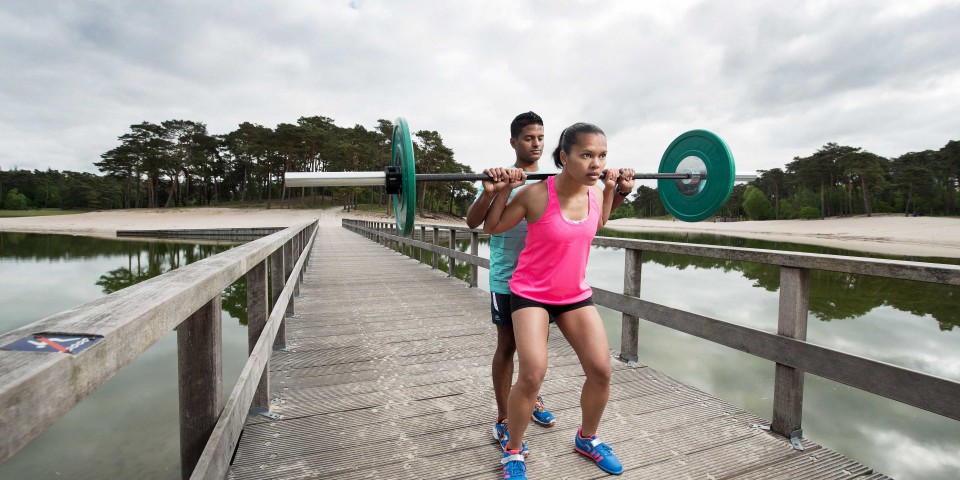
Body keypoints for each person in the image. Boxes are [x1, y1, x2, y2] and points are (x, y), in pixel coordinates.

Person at [482, 122, 634, 479]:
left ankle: (587, 439)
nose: (596, 164)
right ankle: (514, 451)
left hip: (573, 296)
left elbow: (599, 223)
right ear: (564, 157)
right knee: (532, 374)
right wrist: (503, 188)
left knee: (601, 370)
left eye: (602, 156)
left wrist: (616, 189)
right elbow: (493, 226)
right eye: (586, 155)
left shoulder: (596, 193)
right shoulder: (536, 194)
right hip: (531, 294)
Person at [465, 112, 556, 456]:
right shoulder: (498, 177)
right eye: (529, 138)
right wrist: (499, 190)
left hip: (541, 279)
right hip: (506, 277)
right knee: (507, 347)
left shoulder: (551, 181)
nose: (536, 144)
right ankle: (504, 418)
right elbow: (474, 222)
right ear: (514, 142)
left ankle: (531, 398)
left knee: (537, 351)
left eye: (540, 138)